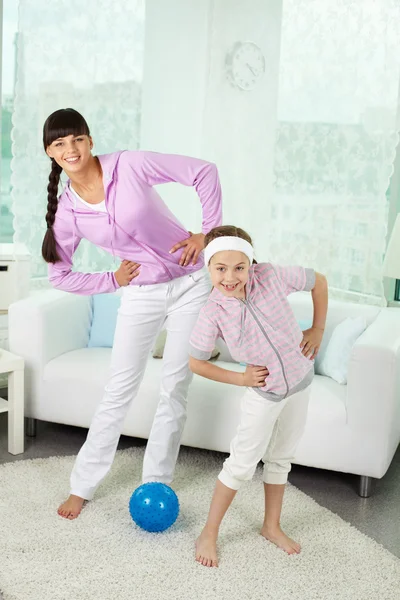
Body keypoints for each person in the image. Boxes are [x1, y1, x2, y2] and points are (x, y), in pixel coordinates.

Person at [41, 108, 222, 519]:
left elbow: (204, 172)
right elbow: (60, 275)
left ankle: (156, 480)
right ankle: (82, 485)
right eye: (59, 143)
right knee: (119, 388)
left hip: (193, 283)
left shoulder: (129, 164)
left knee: (175, 384)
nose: (70, 149)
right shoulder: (68, 212)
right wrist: (114, 280)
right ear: (50, 153)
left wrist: (208, 235)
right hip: (142, 293)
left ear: (89, 141)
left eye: (77, 139)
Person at [189, 225, 328, 567]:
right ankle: (209, 531)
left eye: (239, 267)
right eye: (220, 268)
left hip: (301, 381)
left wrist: (317, 329)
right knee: (240, 465)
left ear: (252, 264)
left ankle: (271, 526)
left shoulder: (270, 276)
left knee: (281, 458)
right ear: (208, 267)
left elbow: (319, 281)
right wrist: (240, 378)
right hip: (263, 394)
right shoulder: (212, 312)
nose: (230, 277)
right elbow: (196, 362)